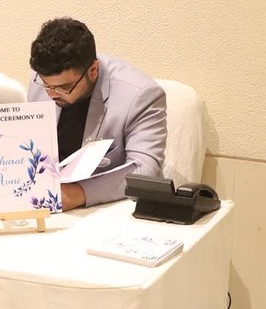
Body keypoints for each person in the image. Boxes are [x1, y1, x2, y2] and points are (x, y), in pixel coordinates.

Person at [27, 17, 166, 210]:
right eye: (46, 85)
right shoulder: (44, 80)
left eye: (64, 87)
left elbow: (144, 171)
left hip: (110, 208)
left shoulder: (140, 95)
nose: (52, 94)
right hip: (47, 204)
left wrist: (77, 194)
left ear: (93, 70)